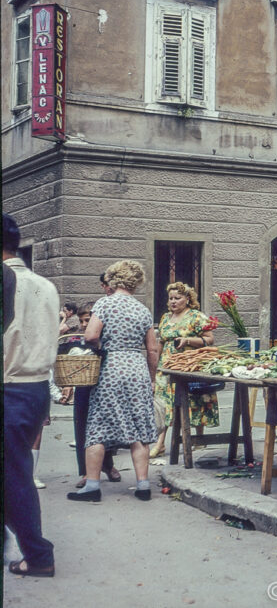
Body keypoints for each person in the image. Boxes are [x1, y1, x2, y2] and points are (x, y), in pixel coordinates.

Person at [67, 260, 160, 503]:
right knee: (139, 428)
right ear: (135, 281)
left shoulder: (105, 303)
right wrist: (152, 378)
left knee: (98, 427)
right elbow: (152, 350)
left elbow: (91, 334)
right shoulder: (142, 309)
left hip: (111, 368)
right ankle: (143, 486)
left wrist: (99, 347)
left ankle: (92, 486)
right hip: (137, 368)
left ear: (113, 278)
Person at [3, 213, 57, 577]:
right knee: (15, 471)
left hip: (9, 387)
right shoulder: (45, 285)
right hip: (35, 387)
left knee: (14, 476)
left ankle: (38, 556)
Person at [151, 282, 216, 457]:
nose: (173, 302)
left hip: (188, 365)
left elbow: (209, 339)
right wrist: (155, 365)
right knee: (164, 403)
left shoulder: (197, 317)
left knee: (193, 400)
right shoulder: (165, 318)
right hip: (166, 366)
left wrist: (187, 340)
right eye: (171, 298)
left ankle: (199, 439)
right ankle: (160, 443)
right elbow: (161, 343)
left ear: (187, 299)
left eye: (177, 298)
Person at [65, 301, 121, 488]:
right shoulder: (79, 341)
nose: (83, 325)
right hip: (83, 388)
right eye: (81, 321)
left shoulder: (107, 340)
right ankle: (86, 472)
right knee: (81, 428)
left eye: (87, 320)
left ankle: (108, 465)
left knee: (104, 428)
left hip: (103, 387)